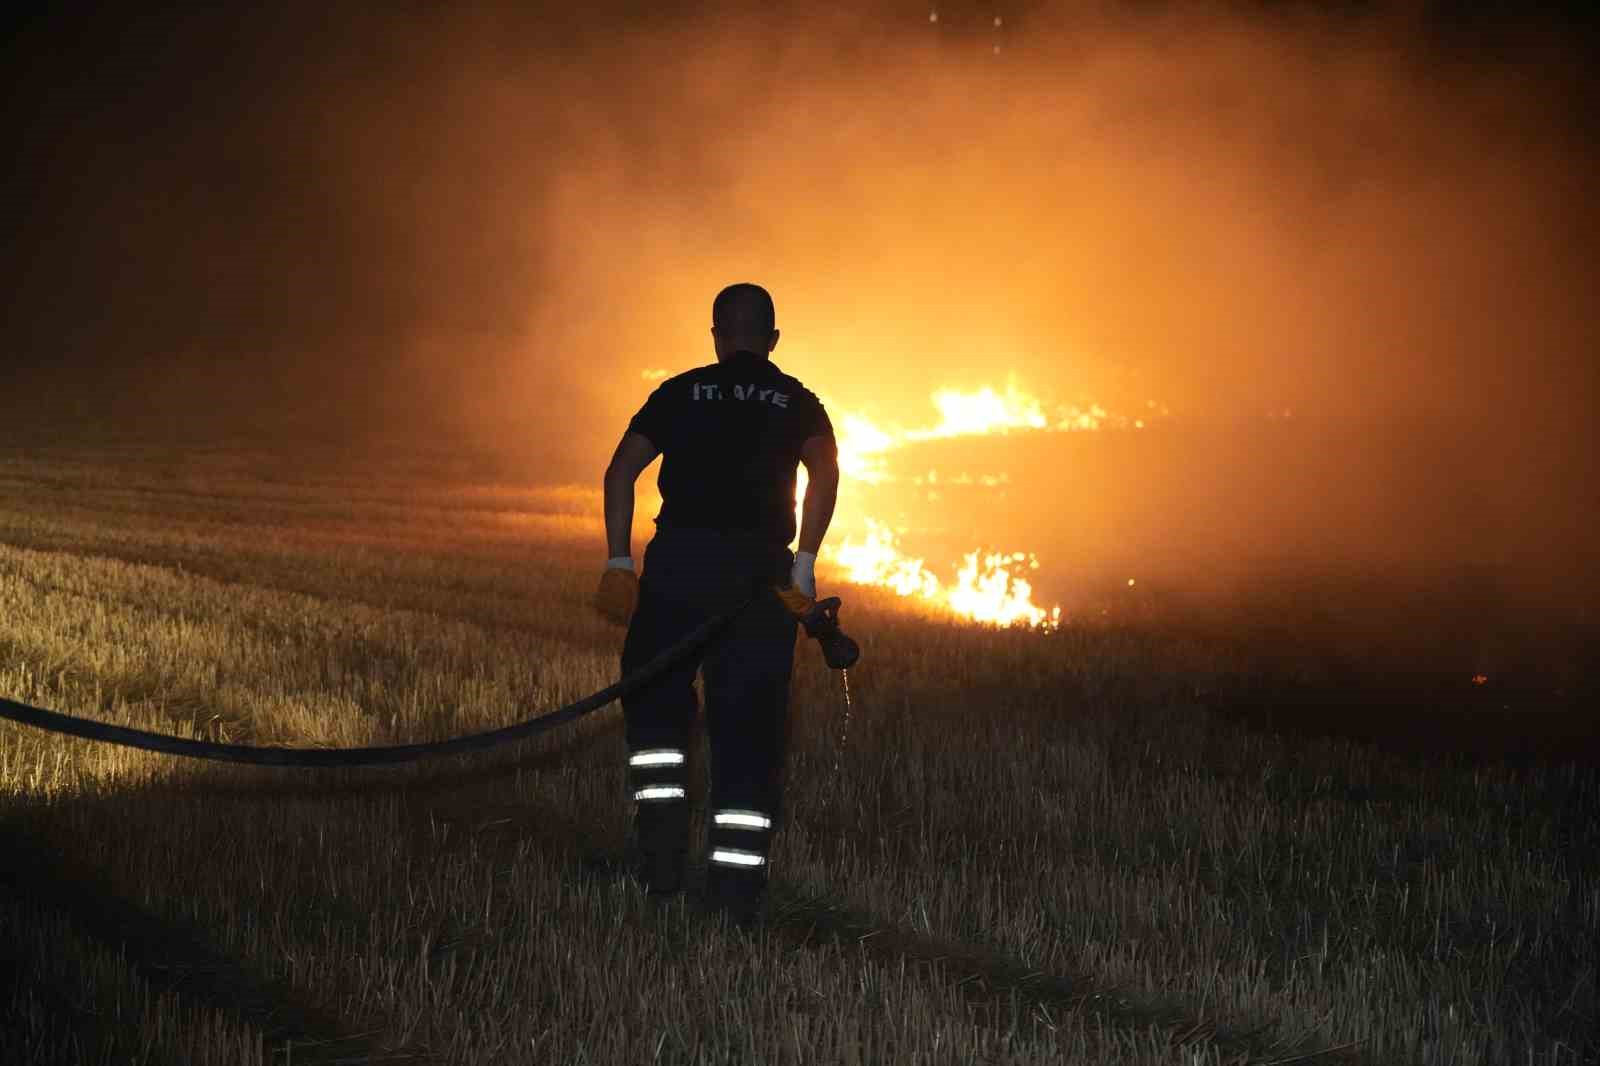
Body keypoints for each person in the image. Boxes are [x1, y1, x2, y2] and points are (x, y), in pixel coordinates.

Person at [593, 282, 840, 926]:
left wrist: (621, 562)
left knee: (656, 725)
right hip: (759, 586)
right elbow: (827, 476)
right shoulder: (799, 401)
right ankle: (734, 897)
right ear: (773, 338)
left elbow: (621, 470)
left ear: (716, 334)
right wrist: (805, 565)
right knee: (749, 735)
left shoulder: (679, 392)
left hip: (678, 573)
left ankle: (661, 863)